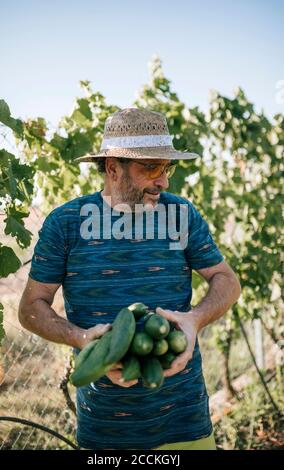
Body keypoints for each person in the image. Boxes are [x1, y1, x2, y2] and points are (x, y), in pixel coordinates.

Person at [18, 108, 241, 450]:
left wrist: (195, 319)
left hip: (185, 418)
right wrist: (78, 337)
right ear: (112, 168)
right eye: (150, 167)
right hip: (107, 428)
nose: (163, 181)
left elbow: (226, 279)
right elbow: (31, 308)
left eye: (166, 168)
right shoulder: (65, 223)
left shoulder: (182, 215)